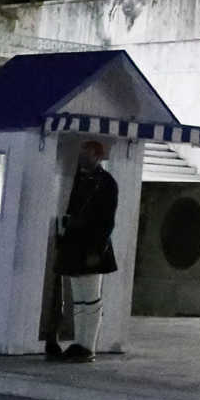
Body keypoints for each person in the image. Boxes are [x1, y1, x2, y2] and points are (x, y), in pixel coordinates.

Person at [44, 139, 120, 363]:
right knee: (78, 298)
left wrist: (98, 247)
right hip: (76, 241)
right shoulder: (79, 179)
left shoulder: (106, 182)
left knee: (91, 298)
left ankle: (89, 345)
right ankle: (80, 342)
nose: (83, 158)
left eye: (87, 154)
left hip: (91, 242)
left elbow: (107, 219)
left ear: (97, 155)